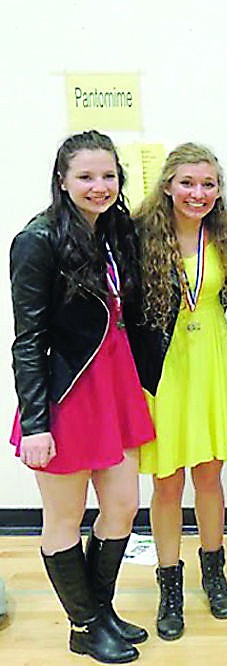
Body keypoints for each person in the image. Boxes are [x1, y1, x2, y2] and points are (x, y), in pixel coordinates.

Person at [9, 130, 155, 663]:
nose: (100, 186)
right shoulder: (38, 240)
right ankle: (85, 624)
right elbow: (28, 338)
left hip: (114, 388)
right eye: (87, 176)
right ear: (63, 180)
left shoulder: (115, 232)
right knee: (64, 519)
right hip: (65, 396)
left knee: (121, 508)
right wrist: (36, 423)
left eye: (109, 175)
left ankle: (101, 609)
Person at [130, 143, 227, 640]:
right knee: (166, 483)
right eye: (188, 183)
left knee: (210, 478)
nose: (198, 193)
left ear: (218, 190)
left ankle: (214, 573)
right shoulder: (140, 237)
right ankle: (169, 585)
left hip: (213, 361)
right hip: (165, 369)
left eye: (208, 185)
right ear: (168, 185)